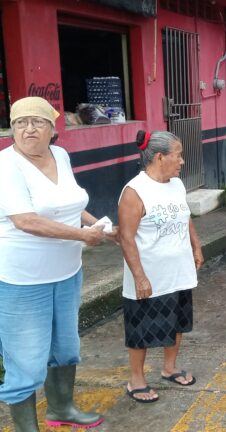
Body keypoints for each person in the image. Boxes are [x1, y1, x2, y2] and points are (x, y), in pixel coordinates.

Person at [0, 96, 109, 430]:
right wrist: (82, 237)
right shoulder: (7, 165)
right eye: (21, 122)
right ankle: (25, 427)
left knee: (65, 347)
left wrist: (97, 226)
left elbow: (69, 204)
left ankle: (61, 408)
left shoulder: (60, 155)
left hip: (67, 273)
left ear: (52, 127)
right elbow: (26, 221)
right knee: (26, 360)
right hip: (22, 281)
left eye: (37, 121)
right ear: (12, 129)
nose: (29, 129)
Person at [118, 131, 203, 403]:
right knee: (140, 328)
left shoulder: (175, 184)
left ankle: (170, 367)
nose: (181, 161)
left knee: (177, 323)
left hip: (178, 271)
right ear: (159, 157)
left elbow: (185, 215)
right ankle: (136, 380)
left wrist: (196, 246)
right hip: (149, 276)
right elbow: (126, 237)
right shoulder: (134, 191)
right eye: (177, 155)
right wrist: (139, 277)